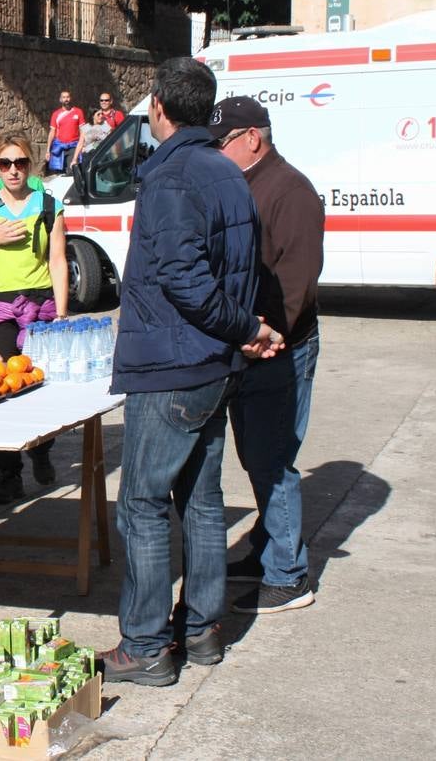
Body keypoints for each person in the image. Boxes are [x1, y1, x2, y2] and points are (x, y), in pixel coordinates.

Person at [99, 58, 282, 687]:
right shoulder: (226, 171)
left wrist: (244, 328)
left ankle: (147, 645)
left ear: (157, 108)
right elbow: (239, 265)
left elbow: (185, 278)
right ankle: (200, 629)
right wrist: (242, 330)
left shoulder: (175, 174)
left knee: (144, 504)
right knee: (200, 501)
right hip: (206, 362)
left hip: (175, 364)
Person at [210, 95, 324, 615]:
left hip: (280, 347)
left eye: (223, 141)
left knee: (273, 459)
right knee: (258, 455)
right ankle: (266, 549)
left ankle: (288, 574)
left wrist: (267, 337)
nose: (217, 150)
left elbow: (296, 281)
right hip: (253, 342)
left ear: (252, 137)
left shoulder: (291, 191)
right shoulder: (244, 184)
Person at [0, 132, 69, 503]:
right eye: (5, 163)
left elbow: (57, 260)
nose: (13, 170)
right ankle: (7, 474)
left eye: (21, 162)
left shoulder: (48, 206)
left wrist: (61, 311)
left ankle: (41, 449)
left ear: (31, 164)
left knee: (39, 384)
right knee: (1, 389)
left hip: (39, 305)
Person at [45, 90, 85, 175]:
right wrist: (48, 150)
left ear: (70, 98)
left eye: (67, 97)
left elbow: (83, 131)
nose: (66, 99)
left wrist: (83, 145)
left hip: (73, 146)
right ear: (60, 100)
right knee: (58, 173)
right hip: (59, 147)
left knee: (72, 172)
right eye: (64, 97)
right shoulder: (56, 114)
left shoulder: (78, 112)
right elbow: (52, 132)